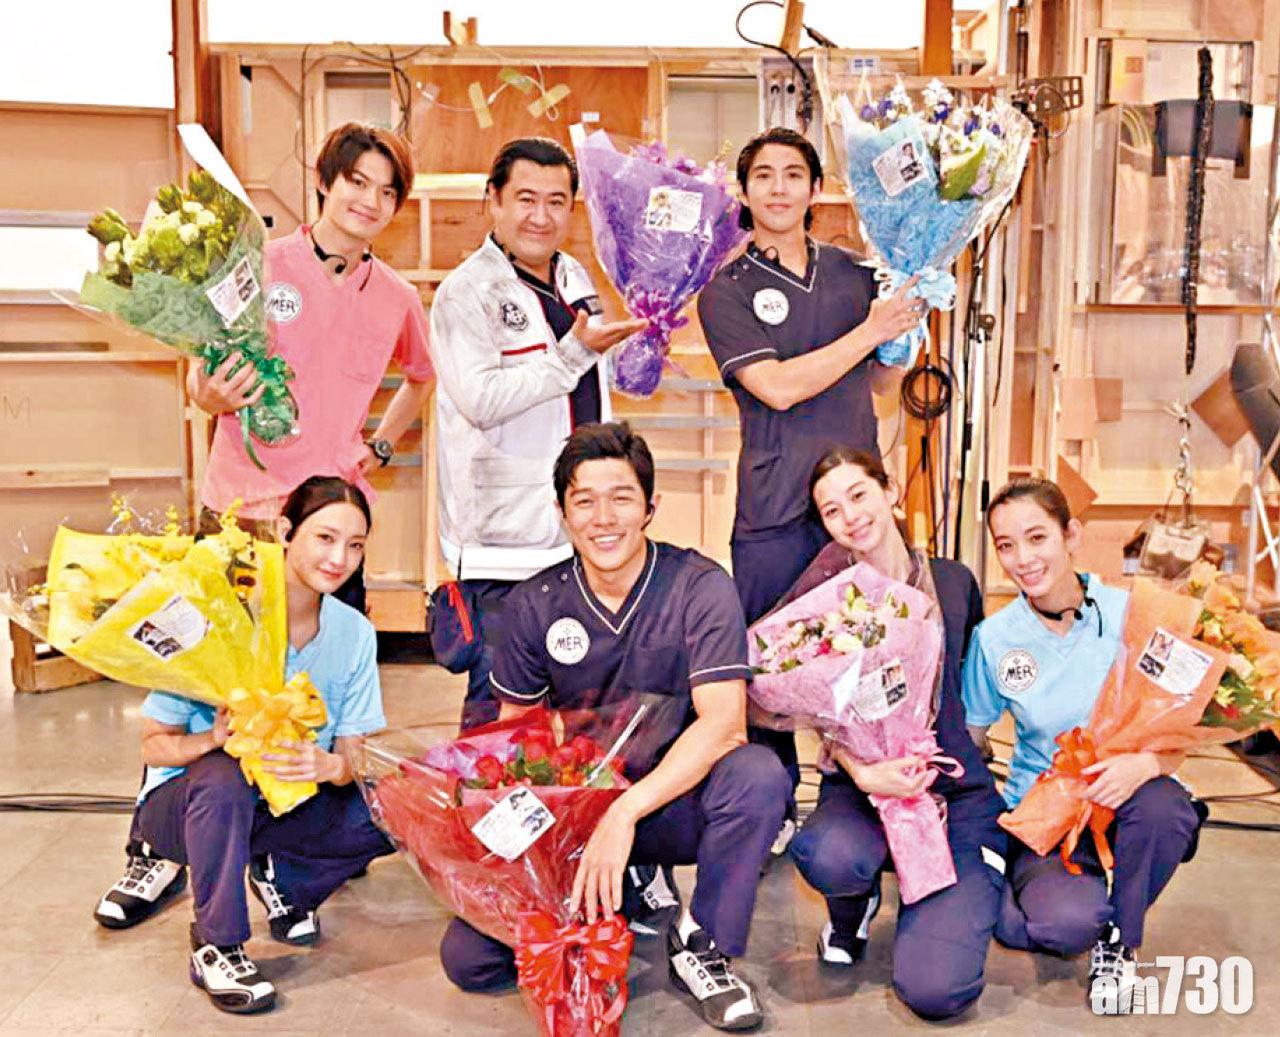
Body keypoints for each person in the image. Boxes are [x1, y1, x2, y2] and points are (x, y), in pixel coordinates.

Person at [437, 423, 790, 1032]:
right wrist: (515, 846)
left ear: (651, 507)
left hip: (672, 799)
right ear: (561, 513)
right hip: (578, 809)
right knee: (470, 961)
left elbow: (725, 725)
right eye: (584, 500)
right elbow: (517, 741)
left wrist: (623, 814)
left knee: (758, 775)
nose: (603, 518)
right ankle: (623, 887)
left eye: (622, 498)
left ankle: (703, 943)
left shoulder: (700, 587)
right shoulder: (534, 604)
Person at [92, 477, 394, 1014]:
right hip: (188, 812)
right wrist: (212, 738)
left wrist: (330, 766)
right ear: (286, 531)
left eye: (355, 545)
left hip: (280, 805)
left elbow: (354, 754)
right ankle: (217, 944)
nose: (339, 559)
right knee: (224, 776)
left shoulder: (353, 633)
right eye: (324, 538)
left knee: (395, 804)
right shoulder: (219, 612)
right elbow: (154, 747)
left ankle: (284, 878)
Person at [696, 127, 924, 822]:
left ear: (816, 188)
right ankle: (769, 811)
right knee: (771, 666)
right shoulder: (726, 292)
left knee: (869, 651)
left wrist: (903, 340)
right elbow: (777, 387)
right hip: (774, 507)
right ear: (743, 191)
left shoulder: (856, 275)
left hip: (854, 505)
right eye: (763, 175)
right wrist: (870, 331)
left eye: (793, 174)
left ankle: (854, 801)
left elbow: (881, 385)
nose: (778, 187)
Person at [962, 477, 1207, 1014]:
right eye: (1006, 545)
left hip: (1126, 793)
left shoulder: (1134, 613)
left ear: (1071, 534)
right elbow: (972, 742)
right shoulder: (994, 639)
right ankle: (1052, 896)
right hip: (1047, 809)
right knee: (1062, 927)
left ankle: (1119, 942)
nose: (1023, 559)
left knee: (1167, 810)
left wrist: (1146, 763)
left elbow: (1184, 723)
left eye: (1037, 538)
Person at [783, 448, 1007, 1020]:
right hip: (863, 786)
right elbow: (808, 706)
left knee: (937, 991)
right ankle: (852, 908)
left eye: (859, 495)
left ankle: (940, 905)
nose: (850, 516)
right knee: (829, 855)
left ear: (890, 492)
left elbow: (973, 684)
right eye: (832, 510)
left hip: (953, 790)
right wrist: (863, 771)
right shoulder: (828, 601)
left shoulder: (954, 582)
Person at [429, 137, 644, 730]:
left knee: (576, 712)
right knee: (500, 716)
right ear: (493, 201)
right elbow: (481, 400)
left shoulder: (573, 275)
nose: (540, 216)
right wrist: (573, 353)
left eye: (556, 201)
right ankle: (481, 796)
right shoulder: (465, 293)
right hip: (504, 548)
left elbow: (583, 385)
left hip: (577, 537)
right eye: (525, 199)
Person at [190, 122, 435, 613]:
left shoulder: (397, 296)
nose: (371, 201)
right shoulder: (258, 265)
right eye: (357, 182)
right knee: (224, 651)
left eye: (387, 192)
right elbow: (200, 375)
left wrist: (382, 445)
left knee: (325, 653)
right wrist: (210, 395)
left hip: (330, 518)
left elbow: (422, 377)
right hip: (242, 506)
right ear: (324, 181)